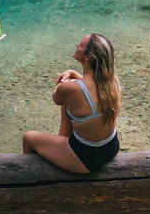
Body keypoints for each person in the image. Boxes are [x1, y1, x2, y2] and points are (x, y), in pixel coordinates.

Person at [22, 33, 121, 173]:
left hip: (87, 158)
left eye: (80, 45)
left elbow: (57, 97)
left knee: (28, 138)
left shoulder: (70, 89)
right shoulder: (111, 84)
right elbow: (89, 89)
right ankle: (61, 143)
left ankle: (30, 181)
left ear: (88, 57)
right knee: (74, 102)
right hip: (110, 147)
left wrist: (64, 83)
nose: (76, 45)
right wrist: (73, 73)